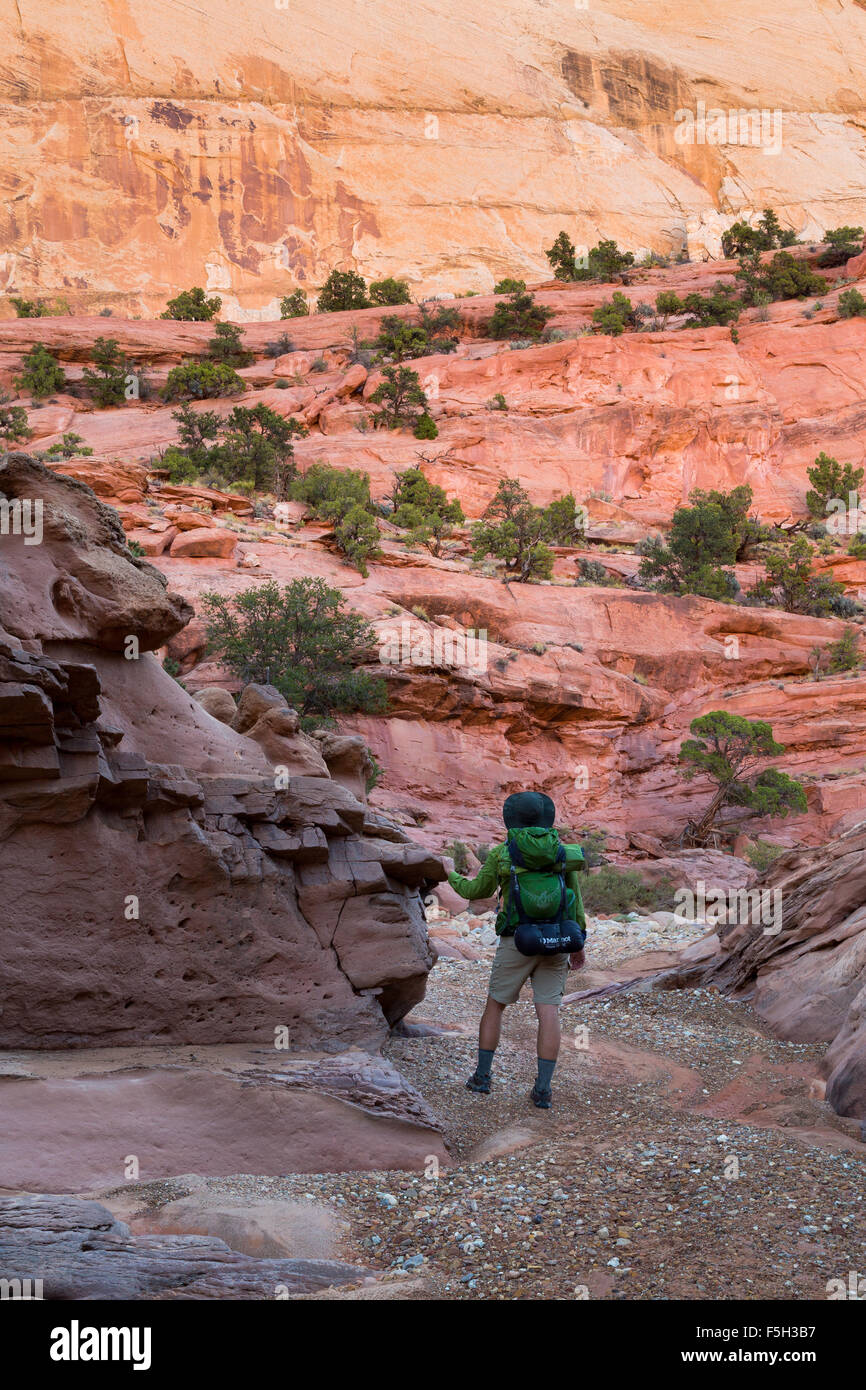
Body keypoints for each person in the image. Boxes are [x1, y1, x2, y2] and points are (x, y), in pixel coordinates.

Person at [446, 791, 586, 1110]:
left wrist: (449, 874)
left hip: (516, 941)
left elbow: (474, 891)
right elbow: (575, 900)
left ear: (513, 820)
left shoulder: (502, 853)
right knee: (548, 1011)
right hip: (558, 941)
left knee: (495, 1006)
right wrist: (580, 942)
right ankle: (543, 1091)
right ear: (545, 819)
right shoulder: (563, 853)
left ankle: (482, 1078)